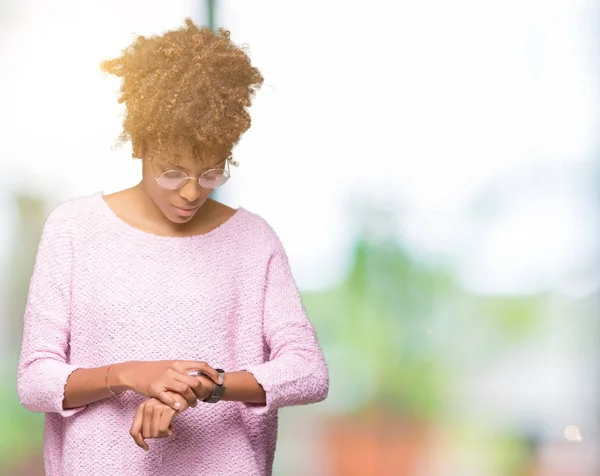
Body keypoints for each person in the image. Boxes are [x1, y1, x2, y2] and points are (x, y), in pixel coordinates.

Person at [16, 18, 329, 476]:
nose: (190, 193)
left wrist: (208, 385)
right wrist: (130, 375)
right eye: (172, 172)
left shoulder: (252, 241)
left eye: (210, 173)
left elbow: (307, 370)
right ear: (140, 145)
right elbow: (34, 379)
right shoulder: (73, 229)